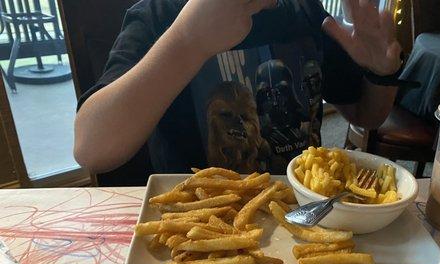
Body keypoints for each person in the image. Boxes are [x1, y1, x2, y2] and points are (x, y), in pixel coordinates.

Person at [74, 0, 402, 175]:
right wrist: (188, 40)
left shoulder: (305, 12)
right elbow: (92, 148)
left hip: (302, 216)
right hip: (199, 229)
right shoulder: (161, 14)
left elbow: (366, 115)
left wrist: (380, 73)